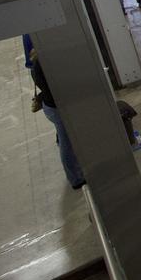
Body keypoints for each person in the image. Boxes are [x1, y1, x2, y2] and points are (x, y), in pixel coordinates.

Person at [30, 49, 86, 190]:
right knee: (66, 143)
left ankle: (59, 142)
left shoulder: (36, 62)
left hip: (49, 106)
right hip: (57, 109)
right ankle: (76, 179)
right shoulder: (46, 65)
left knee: (63, 137)